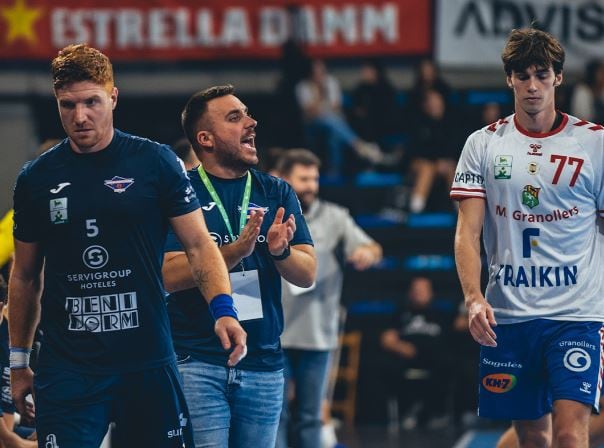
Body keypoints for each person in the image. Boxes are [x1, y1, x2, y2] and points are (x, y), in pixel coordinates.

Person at [9, 44, 243, 448]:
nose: (79, 116)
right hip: (68, 368)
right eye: (68, 105)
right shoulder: (36, 178)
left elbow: (199, 246)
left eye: (91, 102)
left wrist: (223, 310)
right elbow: (25, 276)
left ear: (113, 98)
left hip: (146, 361)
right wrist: (18, 363)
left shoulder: (155, 163)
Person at [451, 28, 604, 448]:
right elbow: (468, 231)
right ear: (509, 80)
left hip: (577, 314)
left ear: (558, 78)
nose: (532, 85)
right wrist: (473, 297)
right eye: (523, 75)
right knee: (532, 436)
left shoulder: (595, 144)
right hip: (510, 315)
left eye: (541, 74)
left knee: (572, 434)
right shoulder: (482, 145)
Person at [163, 85, 316, 447]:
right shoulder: (180, 191)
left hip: (263, 362)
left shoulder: (276, 191)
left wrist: (280, 253)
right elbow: (169, 275)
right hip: (197, 360)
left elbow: (307, 272)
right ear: (206, 138)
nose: (252, 123)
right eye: (235, 118)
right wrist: (233, 252)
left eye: (247, 114)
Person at [274, 148, 382, 448]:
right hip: (274, 334)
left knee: (311, 416)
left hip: (317, 334)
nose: (310, 185)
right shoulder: (267, 217)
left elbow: (372, 247)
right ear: (282, 179)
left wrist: (366, 254)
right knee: (275, 416)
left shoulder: (335, 217)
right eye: (303, 178)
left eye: (314, 178)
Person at [380, 277, 453, 429]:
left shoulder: (440, 314)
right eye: (416, 290)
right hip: (407, 357)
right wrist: (400, 346)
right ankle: (406, 412)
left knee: (449, 365)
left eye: (423, 290)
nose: (419, 293)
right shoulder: (401, 313)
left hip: (434, 362)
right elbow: (386, 339)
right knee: (387, 367)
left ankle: (434, 413)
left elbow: (450, 338)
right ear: (410, 293)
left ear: (431, 293)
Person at [295, 58, 384, 175]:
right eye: (315, 71)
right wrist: (320, 93)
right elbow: (310, 112)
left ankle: (334, 172)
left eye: (321, 71)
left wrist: (322, 107)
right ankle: (358, 145)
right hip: (312, 127)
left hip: (333, 123)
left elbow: (337, 107)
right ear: (310, 72)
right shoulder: (302, 87)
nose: (319, 74)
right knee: (330, 121)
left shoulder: (331, 82)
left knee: (334, 131)